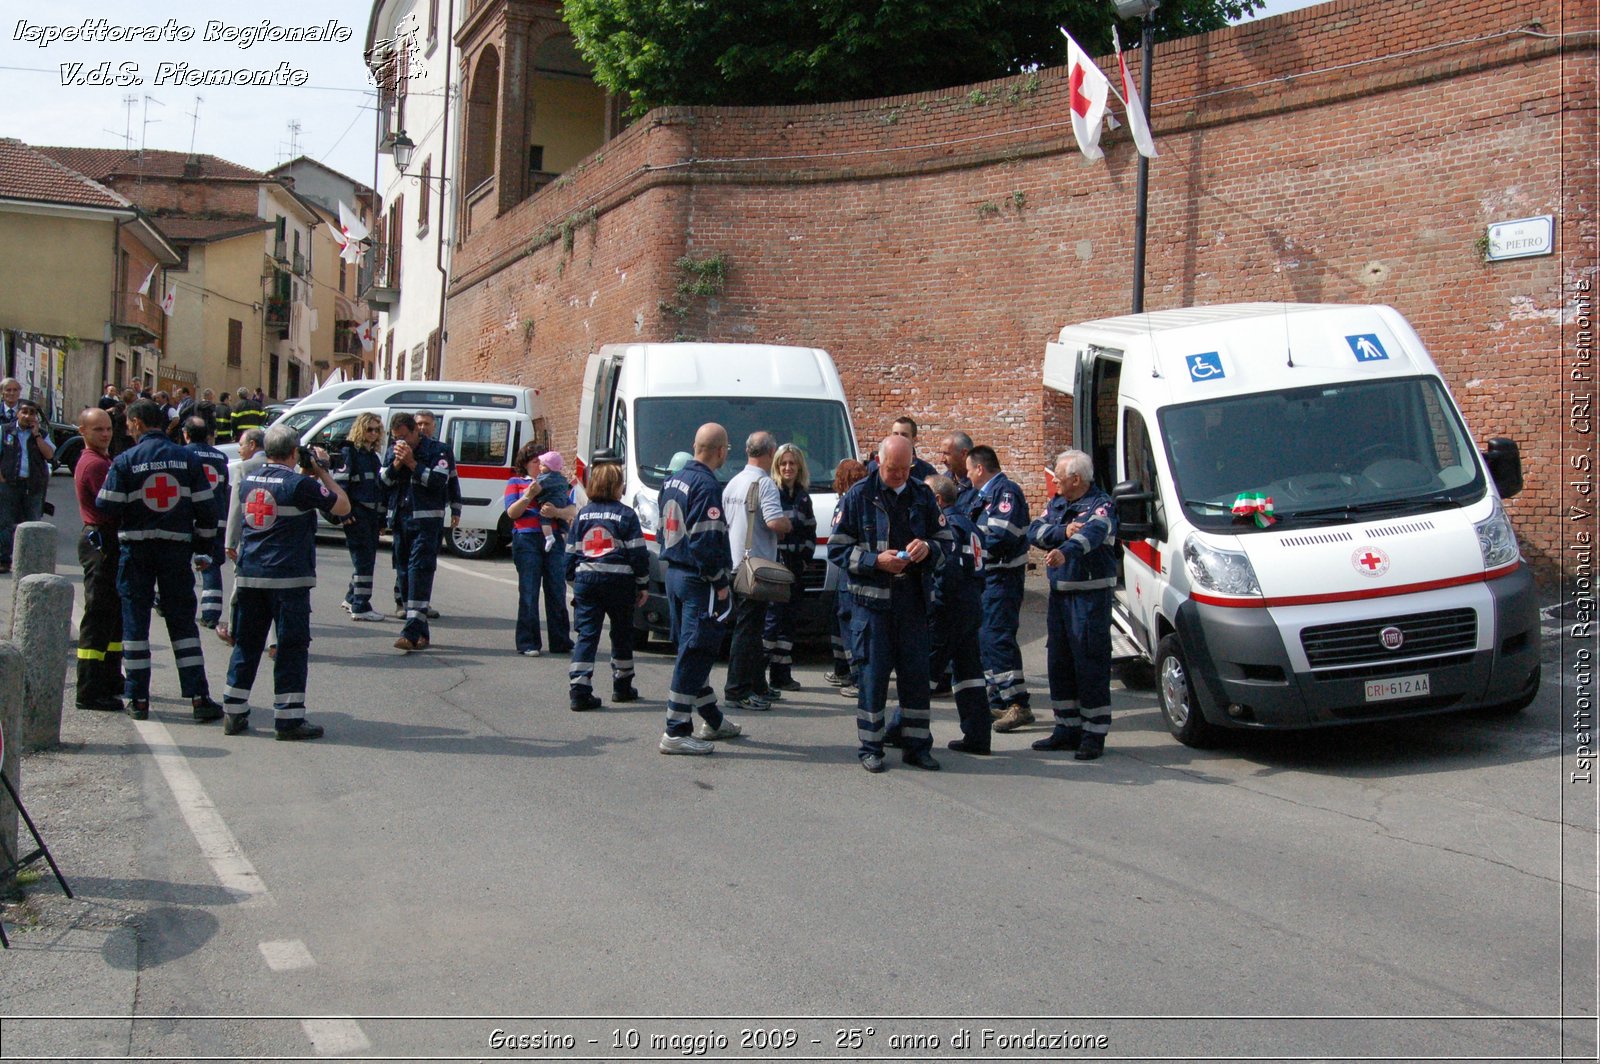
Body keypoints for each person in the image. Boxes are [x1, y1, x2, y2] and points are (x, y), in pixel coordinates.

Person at [95, 400, 224, 722]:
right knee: (182, 623)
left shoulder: (125, 461)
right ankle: (198, 697)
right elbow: (207, 512)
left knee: (135, 625)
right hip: (175, 553)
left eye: (127, 423)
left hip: (136, 553)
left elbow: (105, 508)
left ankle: (138, 699)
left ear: (137, 423)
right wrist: (202, 546)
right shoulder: (187, 459)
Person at [829, 434, 950, 773]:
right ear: (879, 463)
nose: (898, 475)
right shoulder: (858, 496)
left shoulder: (923, 495)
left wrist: (927, 548)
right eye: (892, 469)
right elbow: (837, 549)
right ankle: (871, 746)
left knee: (915, 678)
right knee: (873, 678)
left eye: (904, 469)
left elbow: (947, 541)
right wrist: (874, 562)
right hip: (872, 608)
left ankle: (916, 746)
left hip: (913, 601)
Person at [221, 425, 350, 740]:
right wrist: (320, 471)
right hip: (288, 579)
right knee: (291, 648)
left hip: (250, 575)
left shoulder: (249, 479)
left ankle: (234, 712)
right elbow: (342, 506)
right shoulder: (300, 485)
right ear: (294, 452)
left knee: (246, 645)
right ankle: (289, 720)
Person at [657, 423, 744, 754]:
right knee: (695, 652)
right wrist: (720, 583)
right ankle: (676, 730)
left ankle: (713, 719)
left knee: (691, 650)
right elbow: (707, 541)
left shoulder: (673, 479)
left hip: (675, 573)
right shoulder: (707, 485)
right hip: (698, 579)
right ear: (721, 450)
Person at [1027, 449, 1118, 761]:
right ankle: (1066, 728)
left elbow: (1093, 534)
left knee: (1090, 664)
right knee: (1060, 664)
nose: (1054, 482)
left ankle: (1094, 733)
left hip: (1089, 599)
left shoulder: (1101, 505)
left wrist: (1066, 549)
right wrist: (1061, 531)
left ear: (1076, 478)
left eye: (1059, 476)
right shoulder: (1058, 504)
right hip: (1061, 597)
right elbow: (1034, 530)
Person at [564, 460, 648, 710]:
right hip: (619, 582)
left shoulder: (582, 515)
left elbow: (570, 553)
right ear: (616, 486)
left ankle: (579, 690)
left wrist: (573, 580)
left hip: (586, 581)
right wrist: (642, 584)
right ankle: (622, 687)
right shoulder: (626, 515)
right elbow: (638, 554)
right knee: (622, 633)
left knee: (587, 635)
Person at [722, 431, 791, 710]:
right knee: (749, 631)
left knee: (749, 627)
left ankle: (757, 685)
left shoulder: (733, 483)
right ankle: (737, 689)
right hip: (757, 568)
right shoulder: (764, 484)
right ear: (771, 451)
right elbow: (775, 522)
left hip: (735, 563)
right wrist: (789, 525)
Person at [969, 445, 1034, 732]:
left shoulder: (1006, 493)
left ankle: (1017, 704)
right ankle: (999, 699)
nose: (968, 476)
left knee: (998, 638)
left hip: (1002, 578)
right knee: (987, 639)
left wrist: (969, 548)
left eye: (970, 470)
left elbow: (1000, 536)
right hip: (987, 579)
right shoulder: (983, 497)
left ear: (980, 469)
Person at [926, 475, 992, 755]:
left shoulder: (950, 526)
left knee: (923, 671)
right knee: (969, 674)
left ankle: (899, 728)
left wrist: (934, 605)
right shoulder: (970, 525)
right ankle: (978, 736)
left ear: (938, 500)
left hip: (950, 610)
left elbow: (948, 572)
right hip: (971, 605)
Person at [382, 412, 455, 652]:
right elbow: (383, 481)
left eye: (405, 437)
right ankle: (421, 633)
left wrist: (413, 463)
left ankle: (410, 632)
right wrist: (396, 464)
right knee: (403, 573)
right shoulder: (395, 450)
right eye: (396, 438)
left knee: (418, 572)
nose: (402, 442)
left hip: (426, 521)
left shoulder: (438, 450)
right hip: (401, 519)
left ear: (416, 431)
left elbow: (438, 482)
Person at [503, 443, 575, 656]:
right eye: (535, 462)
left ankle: (560, 641)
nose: (539, 465)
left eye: (542, 461)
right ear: (525, 464)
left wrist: (557, 511)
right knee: (529, 590)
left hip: (553, 541)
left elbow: (572, 509)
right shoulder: (516, 482)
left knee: (556, 589)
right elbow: (511, 513)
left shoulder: (557, 483)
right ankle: (528, 642)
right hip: (526, 540)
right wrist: (527, 496)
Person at [73, 407, 123, 712]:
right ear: (83, 432)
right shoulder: (95, 465)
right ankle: (90, 690)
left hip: (106, 539)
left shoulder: (103, 460)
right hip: (100, 541)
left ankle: (110, 678)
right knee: (99, 615)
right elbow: (115, 505)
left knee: (113, 617)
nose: (105, 434)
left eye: (108, 428)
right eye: (97, 430)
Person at [764, 443, 815, 692]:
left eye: (792, 463)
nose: (787, 468)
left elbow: (810, 532)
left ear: (799, 467)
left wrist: (804, 559)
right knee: (771, 622)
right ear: (776, 466)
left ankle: (781, 674)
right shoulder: (771, 492)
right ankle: (757, 676)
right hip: (775, 566)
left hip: (795, 568)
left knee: (788, 624)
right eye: (783, 463)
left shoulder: (804, 498)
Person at [332, 412, 388, 621]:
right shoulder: (350, 453)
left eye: (376, 430)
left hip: (370, 515)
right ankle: (361, 606)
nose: (373, 434)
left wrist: (381, 519)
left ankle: (351, 598)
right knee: (364, 561)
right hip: (357, 514)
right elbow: (340, 486)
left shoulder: (371, 456)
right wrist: (345, 513)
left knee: (365, 560)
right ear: (360, 429)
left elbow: (378, 490)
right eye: (369, 429)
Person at [823, 458, 868, 693]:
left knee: (847, 621)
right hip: (859, 568)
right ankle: (844, 670)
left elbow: (836, 540)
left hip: (848, 570)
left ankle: (856, 676)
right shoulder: (867, 499)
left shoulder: (846, 502)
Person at [220, 427, 268, 644]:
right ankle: (274, 642)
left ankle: (233, 629)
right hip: (275, 537)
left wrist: (230, 541)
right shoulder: (284, 465)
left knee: (241, 584)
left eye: (241, 444)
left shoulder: (245, 468)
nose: (239, 449)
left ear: (252, 445)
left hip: (250, 535)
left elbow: (236, 506)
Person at [0, 399, 57, 573]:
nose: (27, 416)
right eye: (24, 412)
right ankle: (4, 559)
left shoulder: (42, 433)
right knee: (5, 522)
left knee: (32, 523)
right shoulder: (5, 430)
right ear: (18, 413)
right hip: (9, 484)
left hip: (33, 485)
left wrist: (37, 435)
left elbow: (49, 454)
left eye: (32, 413)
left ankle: (32, 562)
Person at [183, 416, 229, 628]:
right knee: (211, 564)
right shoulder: (220, 458)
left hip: (189, 518)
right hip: (216, 517)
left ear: (186, 434)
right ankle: (211, 614)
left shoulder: (183, 454)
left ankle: (177, 606)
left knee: (181, 563)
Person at [865, 415, 939, 481]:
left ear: (914, 440)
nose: (899, 438)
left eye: (904, 435)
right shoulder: (874, 467)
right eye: (895, 434)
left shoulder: (926, 471)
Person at [534, 450, 571, 553]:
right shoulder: (562, 478)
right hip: (562, 502)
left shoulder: (544, 478)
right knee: (561, 520)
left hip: (550, 502)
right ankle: (566, 532)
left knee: (544, 518)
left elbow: (537, 490)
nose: (540, 467)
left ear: (549, 467)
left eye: (542, 465)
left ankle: (549, 537)